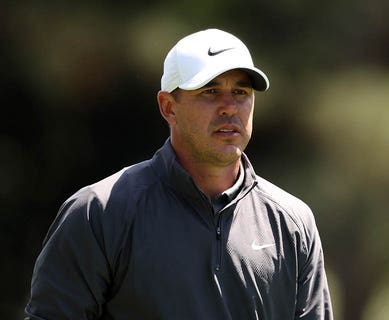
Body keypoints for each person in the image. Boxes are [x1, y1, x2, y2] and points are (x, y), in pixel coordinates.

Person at [25, 28, 333, 319]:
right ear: (169, 107)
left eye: (241, 92)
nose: (229, 107)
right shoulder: (100, 212)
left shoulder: (292, 222)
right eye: (210, 92)